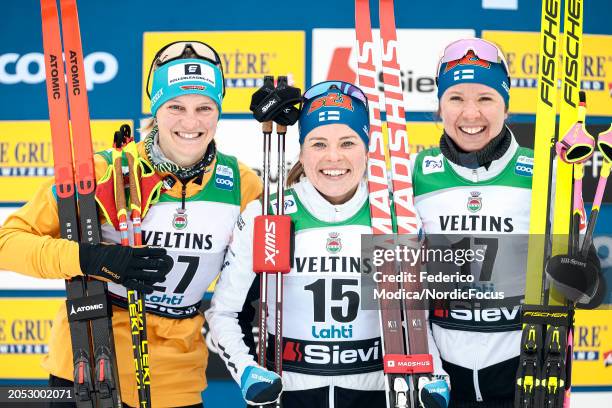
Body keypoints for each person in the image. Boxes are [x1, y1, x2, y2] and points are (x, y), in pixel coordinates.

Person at [0, 41, 262, 408]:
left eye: (205, 107)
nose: (191, 122)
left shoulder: (242, 183)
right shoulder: (105, 171)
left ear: (218, 111)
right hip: (88, 365)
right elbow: (7, 243)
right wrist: (92, 258)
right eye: (175, 107)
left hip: (178, 380)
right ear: (155, 109)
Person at [206, 81, 449, 408]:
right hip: (290, 393)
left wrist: (435, 373)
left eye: (348, 142)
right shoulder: (271, 214)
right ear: (302, 150)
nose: (333, 157)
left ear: (367, 148)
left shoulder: (391, 217)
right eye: (318, 143)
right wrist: (247, 370)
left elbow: (412, 317)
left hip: (377, 394)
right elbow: (224, 312)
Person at [411, 38, 531, 407]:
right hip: (443, 375)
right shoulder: (416, 175)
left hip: (522, 369)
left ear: (506, 106)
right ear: (440, 107)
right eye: (456, 98)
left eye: (485, 98)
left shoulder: (541, 174)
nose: (471, 114)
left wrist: (581, 277)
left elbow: (587, 286)